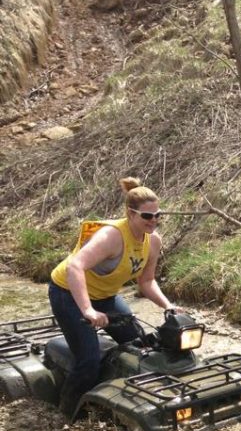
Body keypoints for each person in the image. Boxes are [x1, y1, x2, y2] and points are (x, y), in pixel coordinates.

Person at [49, 176, 177, 418]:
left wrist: (168, 306)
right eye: (147, 216)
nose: (154, 221)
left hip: (106, 295)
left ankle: (132, 398)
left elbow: (146, 281)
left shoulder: (153, 241)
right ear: (131, 214)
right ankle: (65, 413)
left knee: (142, 345)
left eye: (158, 215)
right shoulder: (111, 236)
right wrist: (87, 310)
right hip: (68, 293)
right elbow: (75, 266)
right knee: (88, 360)